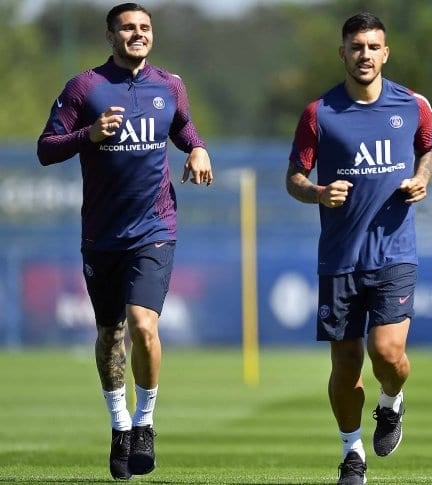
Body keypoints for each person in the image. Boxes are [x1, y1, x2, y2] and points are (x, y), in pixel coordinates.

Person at [36, 2, 213, 480]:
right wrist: (88, 135)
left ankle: (145, 422)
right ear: (111, 35)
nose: (138, 34)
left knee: (144, 326)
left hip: (155, 227)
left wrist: (196, 147)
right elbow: (46, 148)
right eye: (128, 28)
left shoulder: (169, 84)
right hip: (101, 233)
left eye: (145, 27)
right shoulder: (84, 87)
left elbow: (183, 126)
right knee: (110, 334)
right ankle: (118, 426)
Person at [285, 11, 432, 485]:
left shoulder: (413, 104)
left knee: (387, 353)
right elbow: (294, 178)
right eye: (356, 46)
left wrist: (422, 178)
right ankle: (352, 453)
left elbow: (427, 149)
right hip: (340, 258)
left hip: (395, 251)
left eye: (373, 46)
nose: (365, 54)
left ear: (385, 52)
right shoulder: (319, 113)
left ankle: (391, 404)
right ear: (343, 53)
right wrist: (317, 192)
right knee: (346, 364)